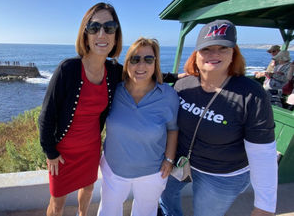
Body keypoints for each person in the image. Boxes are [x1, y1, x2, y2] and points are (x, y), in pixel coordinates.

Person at [159, 19, 277, 216]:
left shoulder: (252, 95)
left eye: (223, 48)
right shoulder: (183, 86)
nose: (214, 54)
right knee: (164, 196)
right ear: (196, 55)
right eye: (206, 49)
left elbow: (263, 153)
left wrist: (264, 205)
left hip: (222, 175)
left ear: (233, 53)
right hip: (180, 162)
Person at [38, 2, 123, 216]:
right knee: (57, 204)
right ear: (85, 35)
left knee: (88, 189)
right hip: (62, 154)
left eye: (109, 27)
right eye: (94, 28)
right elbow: (46, 117)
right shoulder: (68, 69)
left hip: (90, 148)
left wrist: (178, 77)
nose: (102, 34)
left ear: (115, 35)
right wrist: (51, 152)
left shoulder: (113, 71)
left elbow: (143, 72)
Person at [97, 38, 179, 216]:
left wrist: (169, 159)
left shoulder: (168, 95)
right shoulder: (114, 90)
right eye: (135, 59)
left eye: (148, 59)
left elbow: (173, 128)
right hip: (114, 168)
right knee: (108, 211)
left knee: (145, 212)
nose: (141, 65)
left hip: (153, 171)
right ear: (127, 63)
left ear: (155, 63)